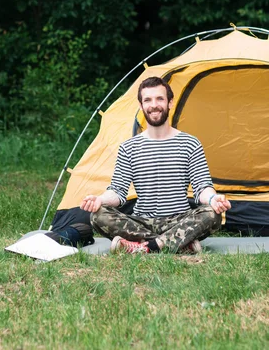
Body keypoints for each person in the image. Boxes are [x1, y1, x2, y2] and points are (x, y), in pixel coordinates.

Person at [80, 76, 231, 254]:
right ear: (141, 105)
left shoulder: (190, 143)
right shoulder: (129, 148)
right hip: (141, 221)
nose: (154, 105)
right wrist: (100, 200)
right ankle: (179, 243)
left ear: (170, 103)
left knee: (212, 214)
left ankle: (144, 247)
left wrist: (214, 200)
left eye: (160, 98)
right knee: (98, 215)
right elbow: (118, 192)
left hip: (180, 219)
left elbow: (202, 187)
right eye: (148, 100)